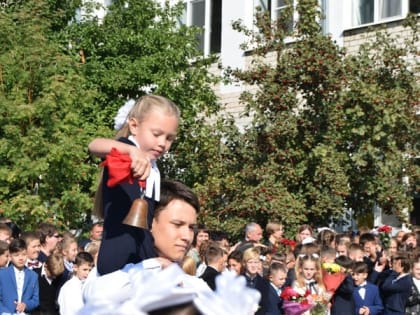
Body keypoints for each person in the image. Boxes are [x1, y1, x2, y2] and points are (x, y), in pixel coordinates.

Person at [89, 95, 180, 275]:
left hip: (142, 255)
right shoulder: (126, 149)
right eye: (156, 134)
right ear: (134, 126)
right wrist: (131, 151)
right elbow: (94, 145)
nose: (162, 143)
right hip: (118, 259)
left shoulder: (154, 168)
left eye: (169, 138)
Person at [82, 179, 200, 303]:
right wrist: (155, 265)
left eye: (191, 227)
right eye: (177, 224)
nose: (187, 236)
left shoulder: (193, 285)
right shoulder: (123, 274)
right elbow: (94, 294)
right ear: (150, 221)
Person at [0, 238, 39, 314]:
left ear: (27, 255)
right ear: (10, 257)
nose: (21, 258)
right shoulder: (2, 274)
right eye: (16, 255)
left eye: (24, 254)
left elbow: (35, 300)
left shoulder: (33, 276)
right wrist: (4, 312)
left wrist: (26, 305)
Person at [242, 247, 279, 315]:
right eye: (250, 262)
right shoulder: (238, 281)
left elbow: (265, 305)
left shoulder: (264, 282)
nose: (253, 265)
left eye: (256, 262)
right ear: (244, 263)